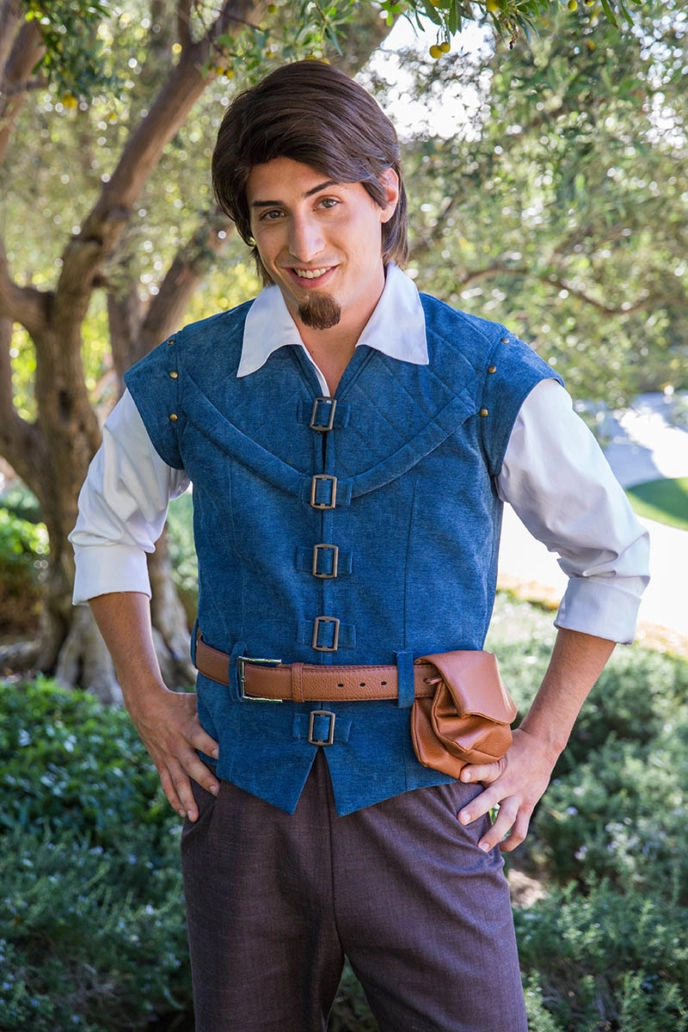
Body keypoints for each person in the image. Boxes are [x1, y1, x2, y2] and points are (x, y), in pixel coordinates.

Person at [70, 60, 650, 1032]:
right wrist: (145, 697)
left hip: (430, 796)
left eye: (327, 203)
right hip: (243, 795)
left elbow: (613, 556)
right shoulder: (186, 375)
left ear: (385, 194)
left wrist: (539, 748)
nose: (302, 245)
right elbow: (105, 528)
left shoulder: (485, 373)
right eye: (271, 215)